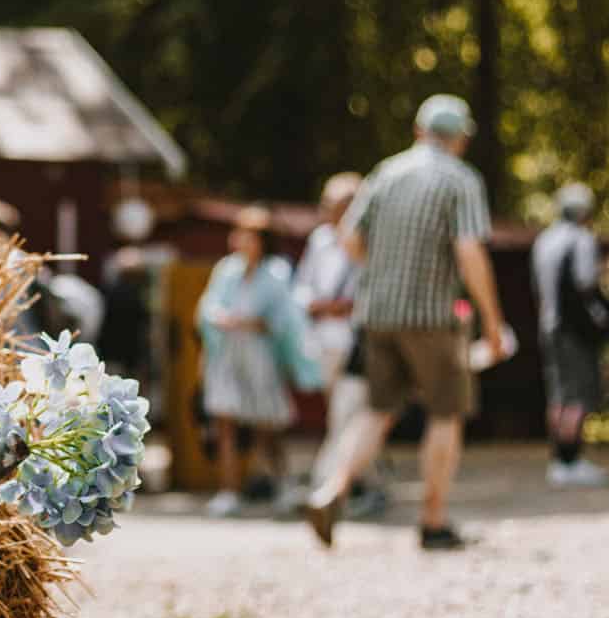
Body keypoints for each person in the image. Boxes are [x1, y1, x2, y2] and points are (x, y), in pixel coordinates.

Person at [299, 94, 506, 551]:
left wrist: (384, 270)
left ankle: (331, 489)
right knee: (445, 412)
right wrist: (492, 321)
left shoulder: (385, 173)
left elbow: (349, 239)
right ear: (462, 140)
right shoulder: (460, 180)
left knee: (378, 410)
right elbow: (469, 252)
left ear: (418, 131)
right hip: (431, 317)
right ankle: (433, 521)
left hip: (377, 315)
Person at [196, 207, 319, 517]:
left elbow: (284, 320)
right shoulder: (227, 270)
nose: (240, 241)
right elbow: (208, 308)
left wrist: (249, 323)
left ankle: (283, 484)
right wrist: (222, 321)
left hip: (260, 356)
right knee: (225, 422)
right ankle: (229, 490)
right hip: (227, 352)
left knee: (268, 426)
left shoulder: (275, 273)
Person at [295, 172, 385, 516]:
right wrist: (318, 305)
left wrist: (347, 306)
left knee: (349, 415)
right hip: (324, 342)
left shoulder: (370, 240)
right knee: (343, 416)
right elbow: (303, 286)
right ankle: (362, 484)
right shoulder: (319, 241)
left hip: (358, 341)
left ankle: (327, 486)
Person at [531, 183, 609, 488]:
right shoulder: (581, 240)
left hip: (548, 327)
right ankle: (572, 459)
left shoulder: (544, 241)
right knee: (577, 394)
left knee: (558, 395)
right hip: (573, 330)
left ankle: (558, 459)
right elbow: (586, 282)